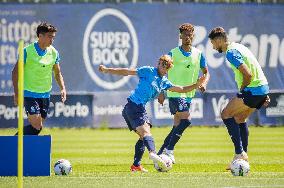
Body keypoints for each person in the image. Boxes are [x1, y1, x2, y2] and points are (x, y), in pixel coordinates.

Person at [99, 54, 206, 172]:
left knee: (143, 137)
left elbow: (181, 89)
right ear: (158, 64)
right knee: (146, 133)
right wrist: (107, 70)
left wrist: (196, 85)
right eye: (161, 63)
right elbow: (127, 72)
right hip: (134, 106)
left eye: (166, 65)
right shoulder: (148, 71)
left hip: (137, 108)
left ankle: (136, 165)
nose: (162, 66)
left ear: (168, 69)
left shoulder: (164, 82)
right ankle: (153, 153)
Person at [208, 27, 270, 169]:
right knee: (240, 118)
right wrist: (264, 93)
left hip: (252, 89)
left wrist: (242, 89)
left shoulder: (231, 52)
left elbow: (248, 75)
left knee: (225, 114)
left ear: (219, 40)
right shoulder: (239, 46)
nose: (213, 46)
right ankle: (243, 158)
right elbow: (256, 68)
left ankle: (239, 153)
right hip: (262, 88)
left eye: (213, 43)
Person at [157, 23, 210, 164]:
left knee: (177, 125)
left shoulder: (198, 54)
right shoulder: (172, 53)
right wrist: (161, 92)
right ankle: (169, 151)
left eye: (190, 34)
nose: (188, 37)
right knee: (186, 120)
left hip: (189, 95)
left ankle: (160, 153)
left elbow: (206, 72)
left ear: (193, 36)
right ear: (180, 36)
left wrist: (204, 83)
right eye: (185, 34)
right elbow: (161, 72)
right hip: (175, 93)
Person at [12, 22, 66, 135]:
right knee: (37, 126)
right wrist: (17, 93)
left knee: (37, 128)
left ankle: (18, 146)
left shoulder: (54, 53)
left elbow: (57, 73)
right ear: (40, 36)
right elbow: (15, 72)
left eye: (53, 37)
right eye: (49, 36)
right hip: (29, 93)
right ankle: (10, 144)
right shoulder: (27, 51)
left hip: (45, 94)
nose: (52, 40)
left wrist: (63, 88)